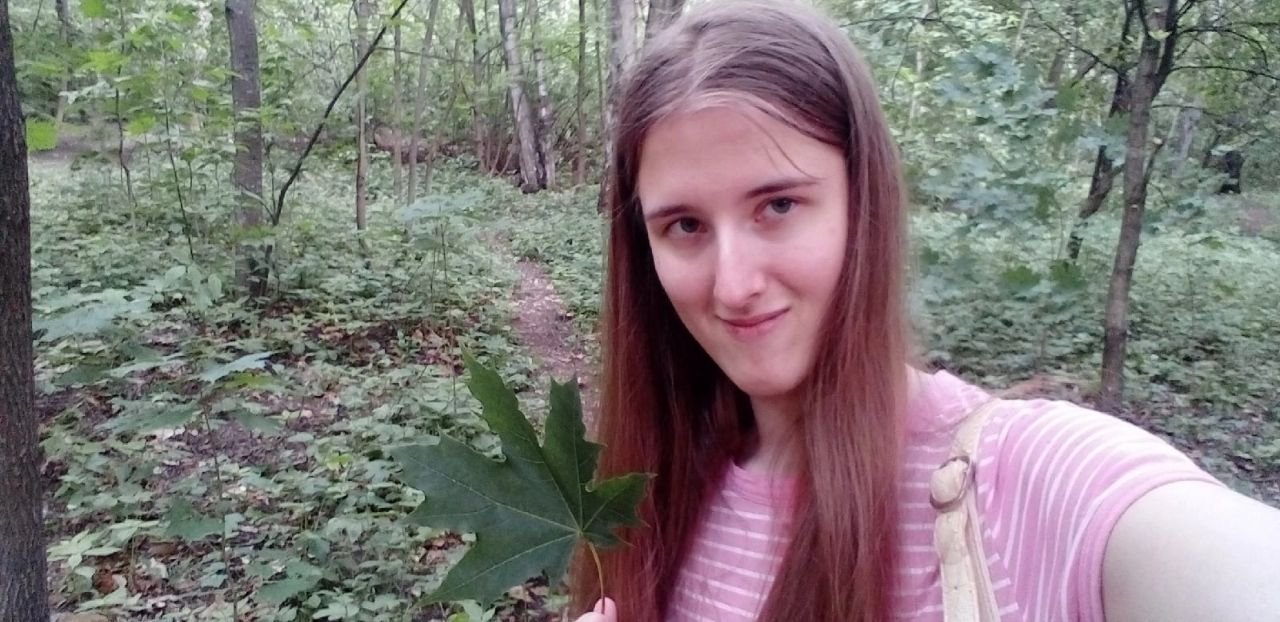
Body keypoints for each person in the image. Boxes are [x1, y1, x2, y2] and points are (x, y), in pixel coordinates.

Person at [568, 0, 1280, 620]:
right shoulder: (649, 497)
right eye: (685, 225)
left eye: (778, 206)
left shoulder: (1021, 483)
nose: (733, 285)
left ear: (864, 204)